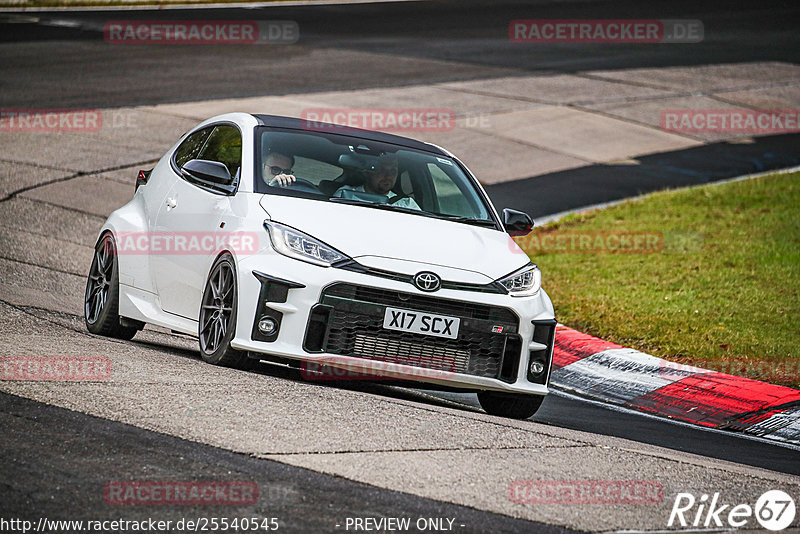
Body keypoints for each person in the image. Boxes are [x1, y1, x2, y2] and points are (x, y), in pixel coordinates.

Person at [333, 153, 420, 210]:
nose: (388, 175)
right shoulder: (345, 194)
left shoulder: (406, 204)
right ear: (367, 173)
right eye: (381, 170)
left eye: (393, 171)